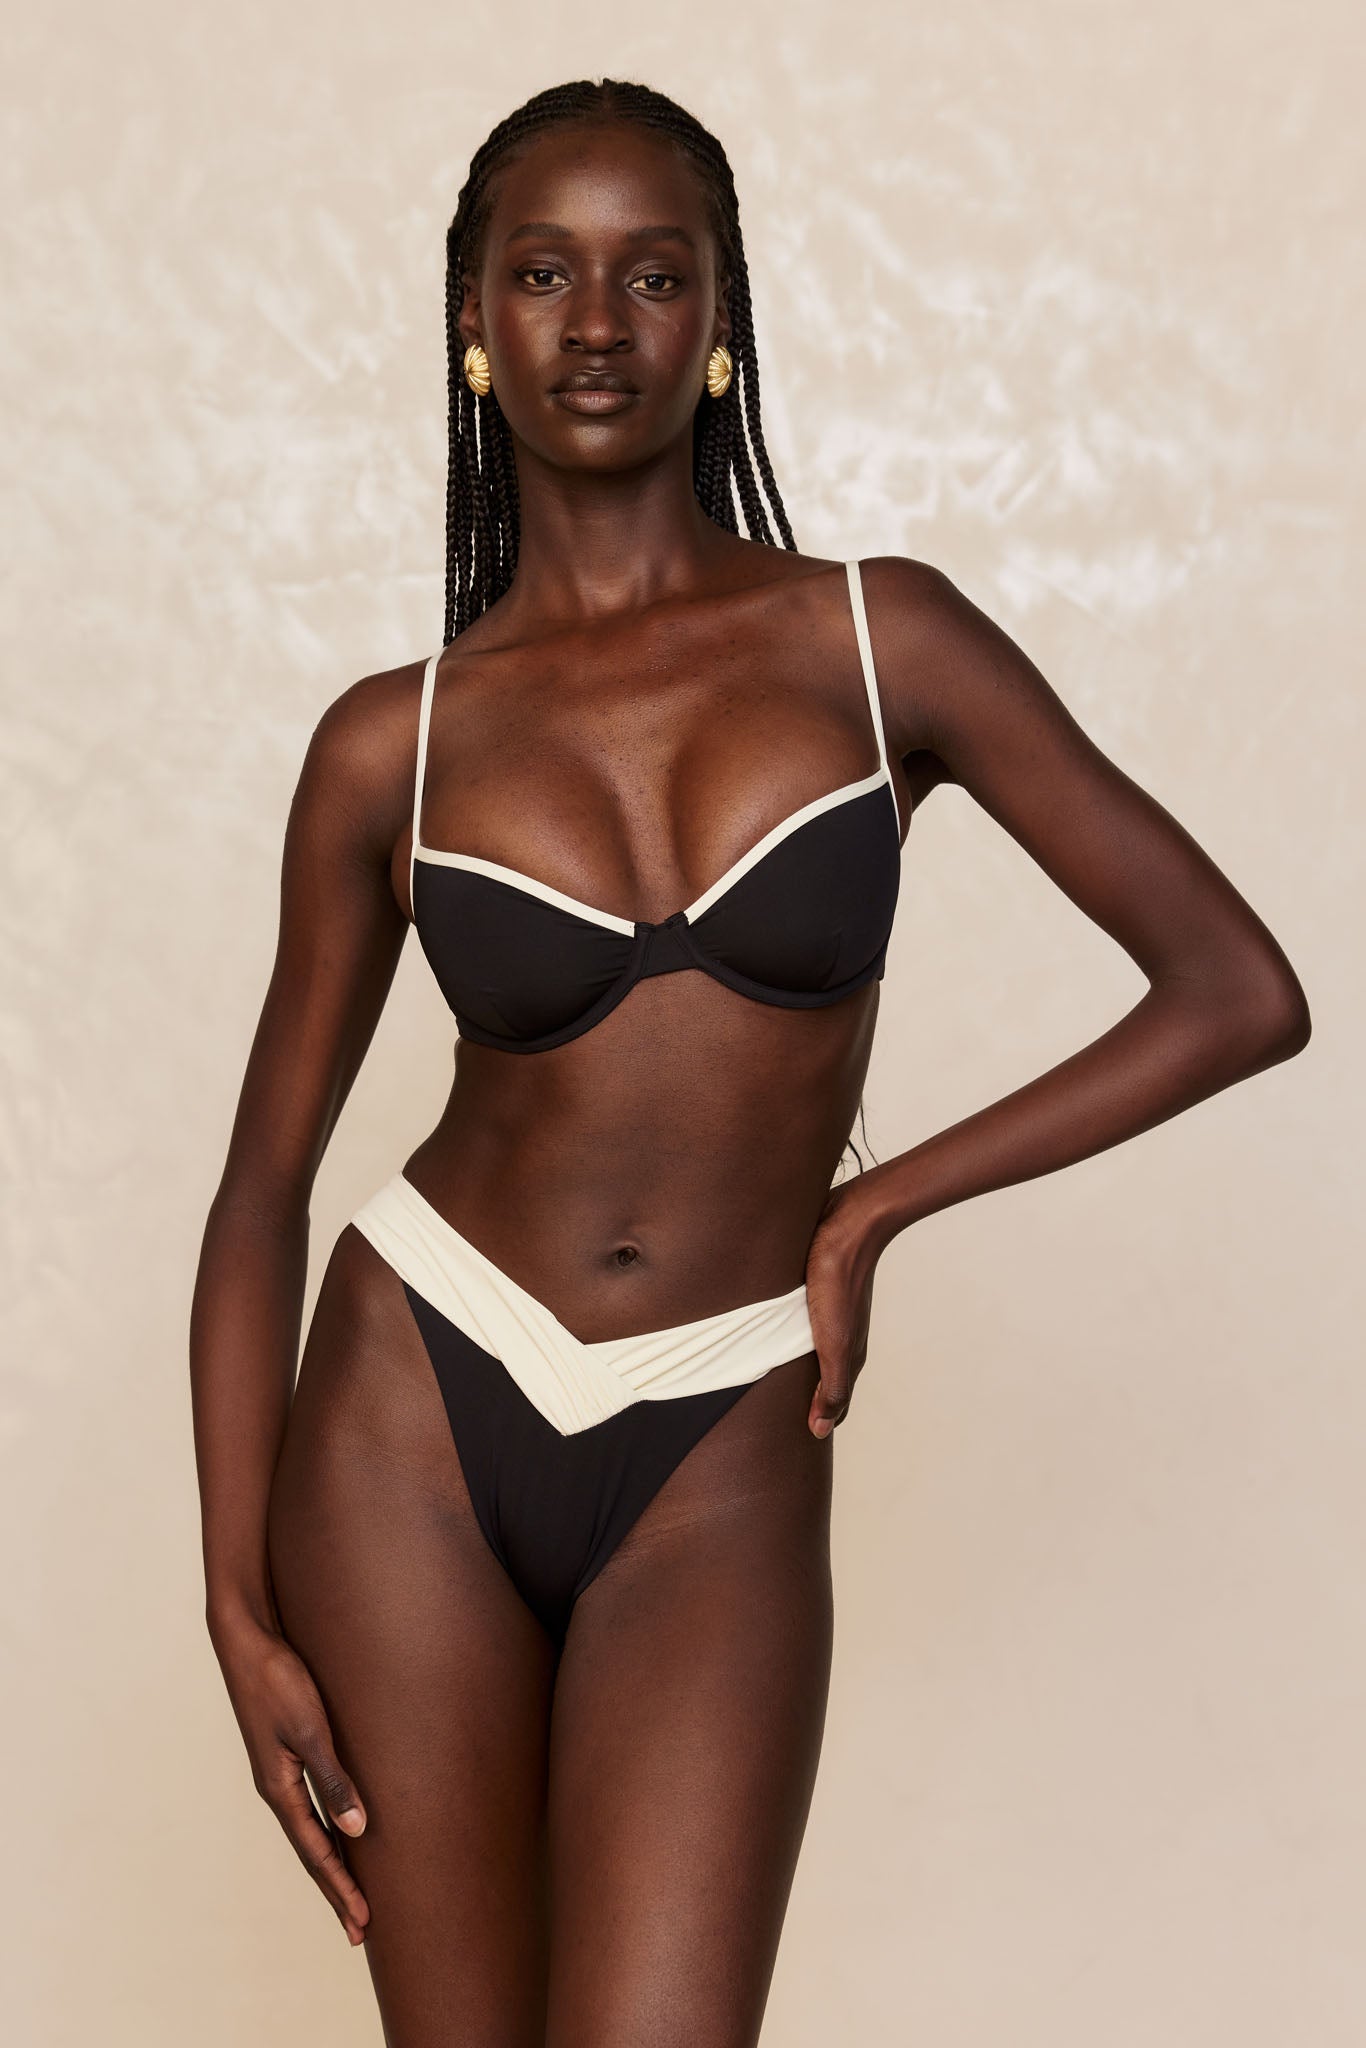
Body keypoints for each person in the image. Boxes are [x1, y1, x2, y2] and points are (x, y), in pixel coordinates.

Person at [189, 76, 1311, 2048]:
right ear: (472, 318)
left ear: (718, 322)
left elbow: (1231, 987)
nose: (597, 322)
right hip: (408, 1412)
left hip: (718, 1416)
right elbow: (260, 1186)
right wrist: (234, 1607)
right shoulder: (396, 741)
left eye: (651, 273)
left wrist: (876, 1199)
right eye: (541, 273)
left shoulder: (882, 647)